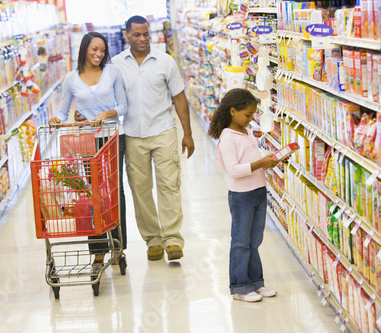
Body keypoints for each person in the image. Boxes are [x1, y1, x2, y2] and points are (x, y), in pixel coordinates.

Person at [110, 15, 195, 261]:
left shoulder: (165, 62)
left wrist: (187, 134)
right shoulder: (116, 65)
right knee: (140, 189)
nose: (143, 38)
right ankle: (153, 240)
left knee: (169, 185)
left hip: (164, 131)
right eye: (137, 34)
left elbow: (179, 97)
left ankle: (172, 240)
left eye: (146, 34)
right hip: (133, 135)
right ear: (126, 35)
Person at [48, 31, 127, 269]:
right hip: (86, 142)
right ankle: (98, 251)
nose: (99, 54)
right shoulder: (71, 79)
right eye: (94, 49)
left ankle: (118, 245)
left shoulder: (112, 72)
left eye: (102, 50)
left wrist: (105, 115)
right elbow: (63, 112)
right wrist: (57, 120)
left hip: (113, 137)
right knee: (92, 193)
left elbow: (123, 105)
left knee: (114, 191)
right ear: (84, 49)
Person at [207, 88, 279, 302]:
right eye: (247, 115)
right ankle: (240, 287)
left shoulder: (245, 132)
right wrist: (261, 163)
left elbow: (250, 162)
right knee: (241, 241)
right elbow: (234, 170)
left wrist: (269, 161)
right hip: (242, 197)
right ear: (232, 111)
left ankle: (256, 283)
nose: (250, 119)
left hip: (257, 191)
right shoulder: (228, 137)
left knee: (254, 240)